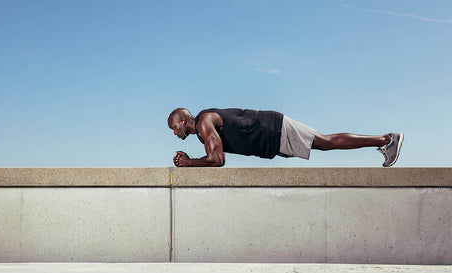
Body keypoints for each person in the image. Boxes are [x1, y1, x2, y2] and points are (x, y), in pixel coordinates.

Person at [167, 108, 404, 167]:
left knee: (324, 142)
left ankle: (386, 140)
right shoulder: (202, 131)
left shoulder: (203, 122)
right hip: (269, 138)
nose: (175, 134)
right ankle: (384, 140)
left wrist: (189, 163)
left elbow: (217, 159)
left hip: (272, 128)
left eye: (173, 128)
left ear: (182, 120)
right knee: (323, 144)